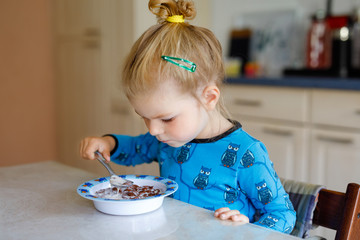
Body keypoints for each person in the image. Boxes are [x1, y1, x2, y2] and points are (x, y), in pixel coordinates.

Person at [79, 0, 296, 233]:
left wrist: (248, 231)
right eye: (144, 117)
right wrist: (108, 143)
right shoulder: (168, 139)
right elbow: (135, 148)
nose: (153, 130)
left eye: (166, 118)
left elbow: (282, 214)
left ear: (208, 98)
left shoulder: (246, 153)